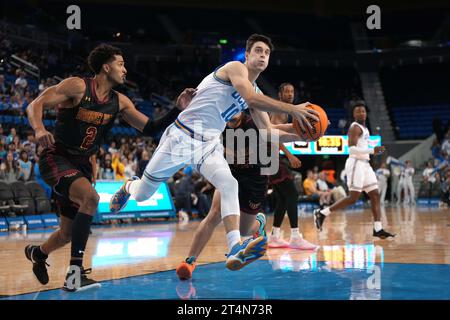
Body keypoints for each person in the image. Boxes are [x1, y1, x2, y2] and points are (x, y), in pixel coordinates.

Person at [110, 34, 319, 272]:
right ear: (248, 55)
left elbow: (268, 132)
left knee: (229, 184)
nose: (262, 55)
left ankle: (234, 247)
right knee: (142, 196)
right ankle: (129, 186)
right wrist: (293, 109)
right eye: (258, 51)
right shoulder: (235, 68)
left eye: (267, 53)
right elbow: (249, 97)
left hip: (208, 145)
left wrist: (301, 134)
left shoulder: (257, 91)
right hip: (180, 137)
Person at [24, 43, 195, 292]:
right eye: (121, 64)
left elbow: (150, 128)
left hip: (83, 166)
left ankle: (38, 253)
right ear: (106, 67)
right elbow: (34, 105)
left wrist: (176, 109)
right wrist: (39, 129)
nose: (125, 70)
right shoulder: (77, 86)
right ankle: (75, 275)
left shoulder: (120, 102)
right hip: (57, 158)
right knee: (91, 199)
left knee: (67, 233)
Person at [176, 109, 314, 280]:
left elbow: (278, 128)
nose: (231, 113)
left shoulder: (255, 123)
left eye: (235, 110)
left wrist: (303, 132)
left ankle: (259, 222)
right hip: (231, 173)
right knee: (214, 214)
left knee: (244, 229)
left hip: (255, 180)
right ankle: (189, 262)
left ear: (241, 109)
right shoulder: (218, 124)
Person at [313, 102, 395, 239]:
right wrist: (372, 150)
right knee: (353, 198)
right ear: (354, 114)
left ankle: (378, 228)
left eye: (363, 111)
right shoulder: (354, 128)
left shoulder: (365, 128)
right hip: (356, 163)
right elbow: (351, 149)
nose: (361, 113)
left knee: (375, 194)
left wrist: (370, 153)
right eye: (358, 111)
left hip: (365, 164)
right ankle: (322, 213)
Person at [268, 83, 318, 249]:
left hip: (269, 157)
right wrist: (289, 155)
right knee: (292, 195)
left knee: (282, 198)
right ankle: (295, 237)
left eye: (292, 91)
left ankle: (274, 236)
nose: (290, 94)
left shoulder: (286, 112)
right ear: (280, 94)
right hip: (268, 157)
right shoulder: (278, 110)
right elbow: (272, 134)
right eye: (286, 91)